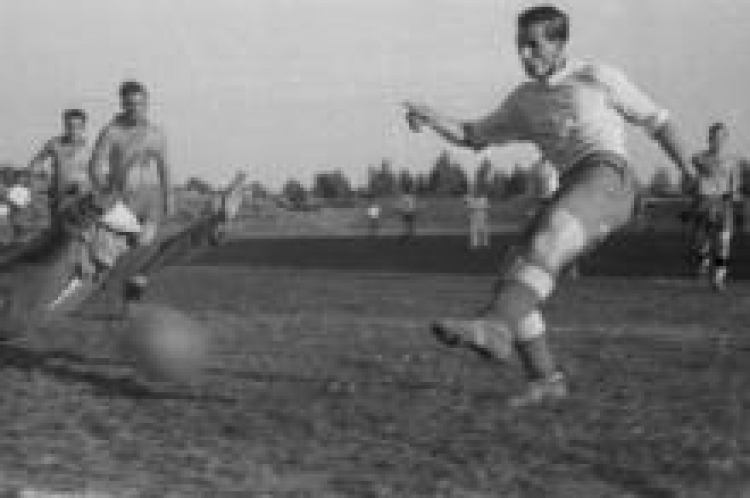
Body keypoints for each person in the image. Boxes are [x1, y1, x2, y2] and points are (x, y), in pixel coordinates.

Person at [403, 5, 696, 407]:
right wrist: (433, 116)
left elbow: (659, 121)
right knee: (516, 273)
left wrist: (688, 168)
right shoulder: (524, 101)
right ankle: (546, 379)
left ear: (560, 44)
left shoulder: (598, 77)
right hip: (571, 186)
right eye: (520, 45)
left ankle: (493, 328)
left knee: (551, 234)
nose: (525, 54)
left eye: (534, 45)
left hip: (609, 177)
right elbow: (473, 135)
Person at [87, 80, 173, 304]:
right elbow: (95, 165)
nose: (136, 108)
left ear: (147, 104)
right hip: (122, 202)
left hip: (151, 201)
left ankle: (130, 298)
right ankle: (111, 286)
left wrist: (169, 197)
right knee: (115, 254)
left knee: (143, 247)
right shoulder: (111, 132)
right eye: (130, 104)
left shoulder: (156, 133)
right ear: (122, 104)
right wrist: (104, 189)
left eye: (140, 104)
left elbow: (165, 168)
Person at [690, 122, 744, 290]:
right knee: (702, 243)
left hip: (724, 203)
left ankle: (719, 279)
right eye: (714, 137)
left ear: (726, 138)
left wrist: (734, 194)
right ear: (709, 138)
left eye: (721, 137)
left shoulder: (734, 160)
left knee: (723, 242)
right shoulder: (698, 159)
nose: (717, 140)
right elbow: (691, 180)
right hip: (704, 202)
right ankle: (704, 259)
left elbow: (735, 183)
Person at [27, 108, 91, 227]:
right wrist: (38, 176)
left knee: (78, 232)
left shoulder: (90, 148)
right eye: (69, 126)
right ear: (64, 126)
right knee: (57, 232)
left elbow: (98, 173)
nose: (72, 130)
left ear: (83, 128)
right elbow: (35, 163)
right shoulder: (55, 144)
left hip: (81, 197)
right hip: (58, 196)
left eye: (77, 127)